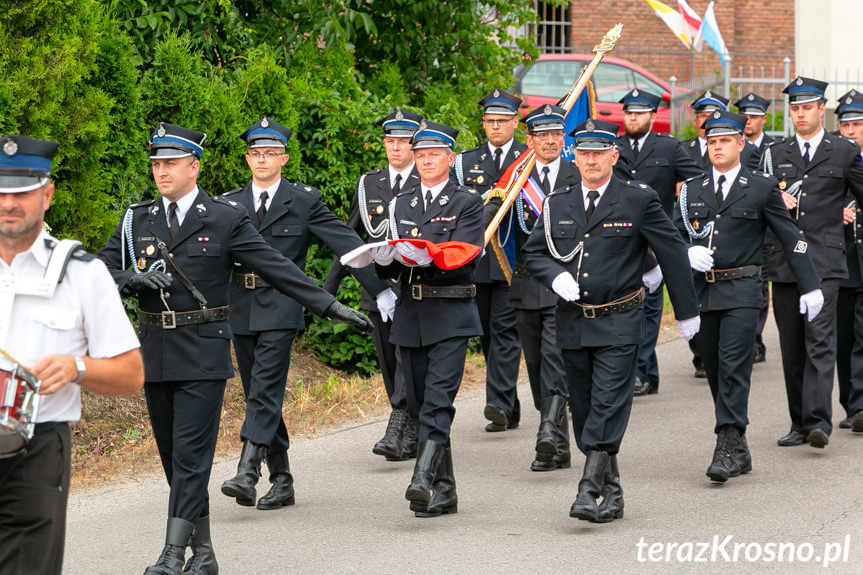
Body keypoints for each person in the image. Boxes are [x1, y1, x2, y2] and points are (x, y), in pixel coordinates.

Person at [98, 123, 372, 574]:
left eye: (169, 163)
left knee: (191, 456)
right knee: (171, 457)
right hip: (154, 348)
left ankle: (172, 555)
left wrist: (328, 306)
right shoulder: (137, 218)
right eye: (155, 164)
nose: (160, 171)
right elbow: (102, 267)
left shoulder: (224, 217)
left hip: (203, 351)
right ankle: (203, 554)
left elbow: (277, 266)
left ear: (194, 167)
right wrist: (131, 279)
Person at [523, 119, 700, 523]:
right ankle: (613, 492)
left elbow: (671, 251)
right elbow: (535, 254)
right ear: (575, 156)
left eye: (598, 153)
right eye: (583, 152)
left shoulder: (637, 198)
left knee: (607, 403)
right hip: (573, 321)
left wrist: (687, 311)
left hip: (620, 319)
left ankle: (588, 490)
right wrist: (555, 276)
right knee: (584, 411)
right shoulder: (557, 202)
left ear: (613, 156)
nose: (590, 160)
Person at [220, 117, 393, 511]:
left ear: (284, 157)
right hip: (240, 306)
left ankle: (248, 471)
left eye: (269, 153)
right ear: (247, 159)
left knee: (263, 390)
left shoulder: (303, 200)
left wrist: (380, 288)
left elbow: (347, 244)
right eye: (255, 153)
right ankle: (282, 479)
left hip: (282, 304)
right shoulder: (229, 203)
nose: (262, 160)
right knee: (258, 394)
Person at [0, 135, 144, 574]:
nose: (9, 203)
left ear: (47, 194)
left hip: (35, 451)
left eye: (21, 192)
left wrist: (76, 367)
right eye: (0, 192)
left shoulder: (82, 274)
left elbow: (131, 374)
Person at [673, 110, 822, 484]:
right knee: (715, 369)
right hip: (704, 291)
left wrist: (811, 284)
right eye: (711, 142)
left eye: (724, 141)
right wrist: (685, 251)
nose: (717, 147)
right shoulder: (692, 188)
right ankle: (738, 444)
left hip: (743, 289)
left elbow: (791, 238)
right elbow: (671, 235)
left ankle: (725, 444)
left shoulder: (760, 187)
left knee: (735, 366)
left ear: (741, 144)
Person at [368, 120, 484, 517]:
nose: (426, 160)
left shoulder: (467, 200)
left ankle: (422, 478)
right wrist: (384, 263)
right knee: (417, 405)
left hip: (451, 310)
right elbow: (397, 263)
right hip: (411, 313)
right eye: (420, 154)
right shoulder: (402, 202)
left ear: (450, 158)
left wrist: (428, 255)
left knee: (437, 401)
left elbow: (467, 252)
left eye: (434, 154)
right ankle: (446, 490)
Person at [760, 77, 863, 449]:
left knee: (820, 339)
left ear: (822, 109)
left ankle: (819, 421)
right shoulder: (775, 152)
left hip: (825, 261)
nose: (800, 115)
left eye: (806, 108)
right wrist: (774, 199)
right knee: (792, 346)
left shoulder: (843, 152)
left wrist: (847, 209)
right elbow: (756, 197)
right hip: (786, 263)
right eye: (794, 109)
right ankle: (799, 423)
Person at [325, 109, 422, 460]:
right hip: (377, 287)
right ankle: (411, 428)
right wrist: (329, 289)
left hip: (414, 286)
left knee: (407, 355)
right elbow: (350, 236)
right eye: (390, 141)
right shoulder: (369, 184)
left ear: (414, 144)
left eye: (402, 141)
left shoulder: (426, 179)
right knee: (390, 361)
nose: (395, 148)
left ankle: (399, 425)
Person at [613, 88, 704, 396]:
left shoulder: (669, 147)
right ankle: (647, 374)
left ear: (653, 116)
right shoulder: (612, 145)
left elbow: (699, 183)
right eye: (628, 112)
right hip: (621, 240)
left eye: (639, 112)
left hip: (655, 241)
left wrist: (680, 225)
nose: (633, 117)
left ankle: (640, 373)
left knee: (649, 307)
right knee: (628, 305)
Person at [454, 88, 526, 432]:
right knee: (486, 334)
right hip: (478, 261)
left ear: (515, 122)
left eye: (502, 121)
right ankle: (509, 405)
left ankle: (496, 401)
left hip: (513, 260)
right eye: (489, 121)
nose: (495, 127)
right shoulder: (466, 162)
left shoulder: (528, 159)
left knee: (505, 332)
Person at [508, 104, 575, 471]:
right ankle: (557, 441)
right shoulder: (516, 177)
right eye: (542, 135)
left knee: (553, 357)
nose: (550, 141)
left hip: (564, 283)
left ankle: (547, 432)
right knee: (534, 364)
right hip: (525, 282)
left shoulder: (578, 173)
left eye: (556, 134)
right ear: (529, 140)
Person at [735, 92, 775, 365]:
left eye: (754, 117)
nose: (748, 122)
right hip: (741, 223)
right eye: (744, 117)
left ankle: (755, 338)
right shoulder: (729, 145)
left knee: (760, 285)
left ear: (764, 119)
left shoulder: (774, 147)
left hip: (767, 224)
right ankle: (748, 339)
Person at [833, 89, 863, 432]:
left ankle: (860, 405)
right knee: (843, 338)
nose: (850, 131)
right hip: (840, 260)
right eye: (845, 124)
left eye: (857, 124)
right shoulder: (832, 159)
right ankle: (850, 403)